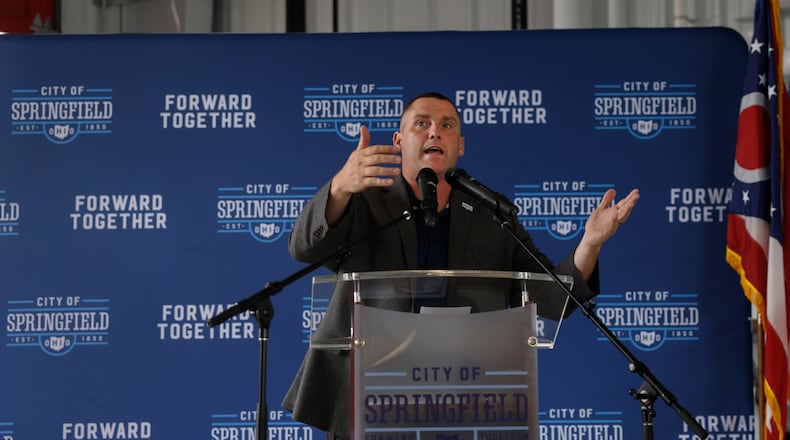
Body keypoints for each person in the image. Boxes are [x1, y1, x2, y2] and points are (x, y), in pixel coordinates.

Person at [281, 92, 640, 439]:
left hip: (459, 396)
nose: (435, 131)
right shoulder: (365, 200)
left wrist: (589, 243)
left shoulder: (490, 215)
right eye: (421, 123)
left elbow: (551, 297)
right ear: (399, 140)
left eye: (447, 125)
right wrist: (340, 187)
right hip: (368, 393)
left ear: (461, 145)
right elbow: (304, 247)